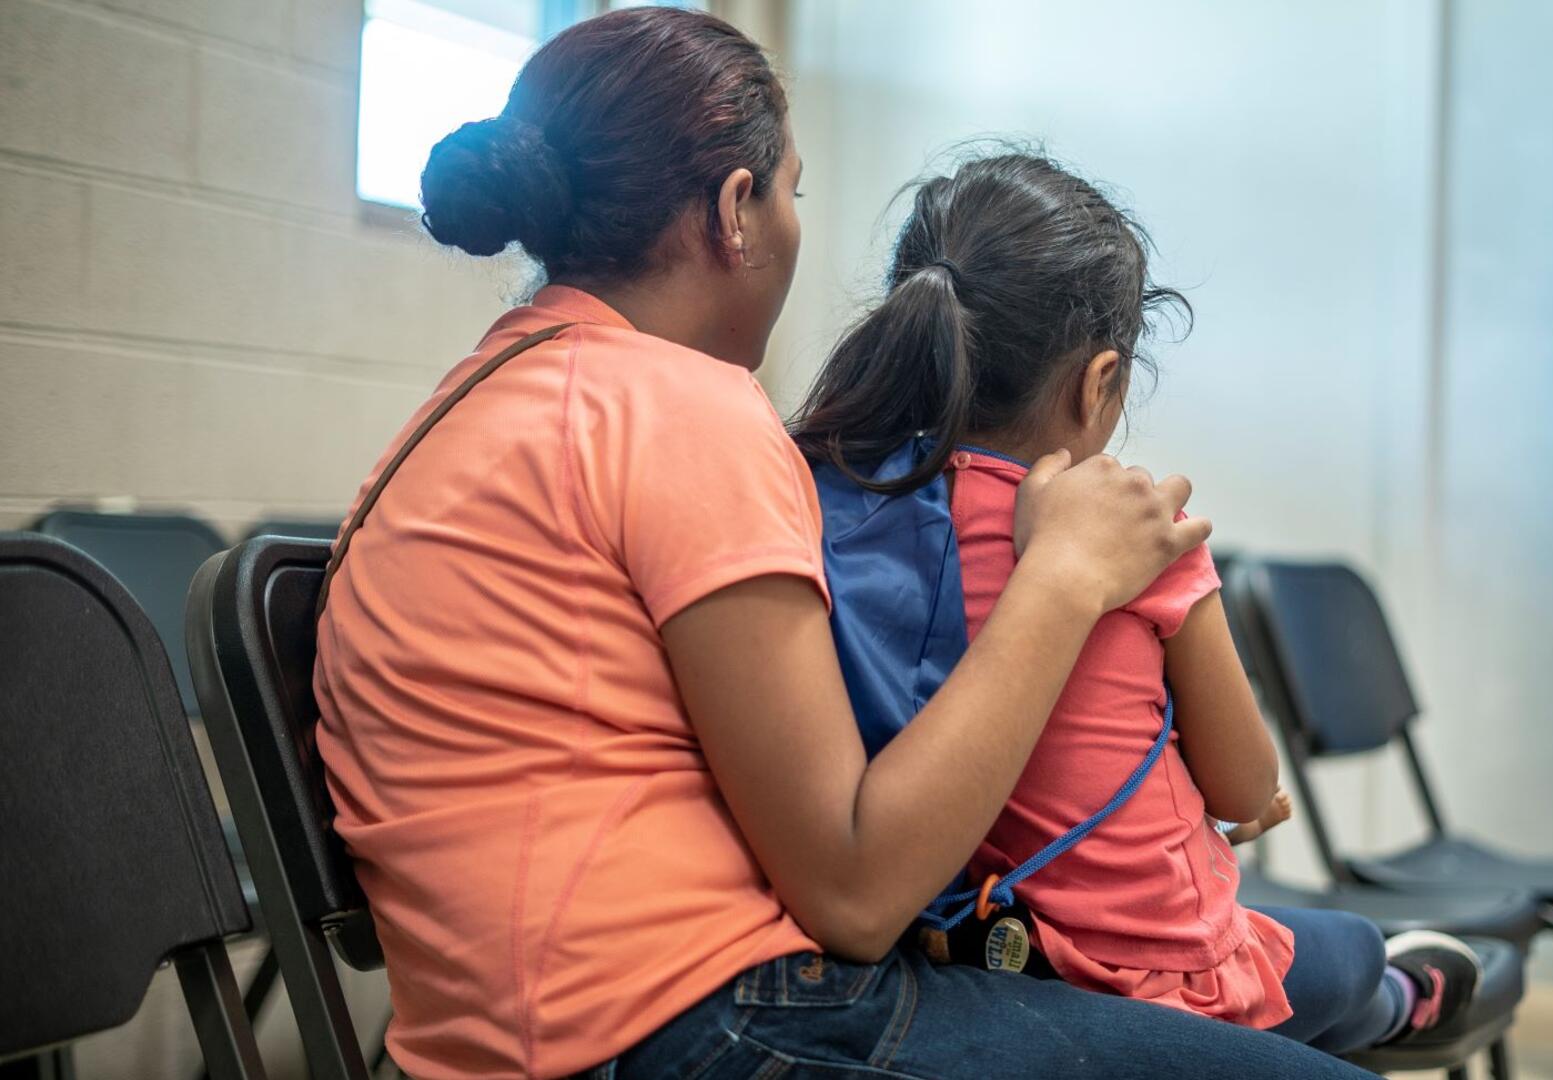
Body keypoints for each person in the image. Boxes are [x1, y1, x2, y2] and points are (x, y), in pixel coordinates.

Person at [312, 7, 1371, 1079]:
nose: (791, 219)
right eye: (792, 190)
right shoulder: (682, 408)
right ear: (738, 211)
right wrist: (1064, 575)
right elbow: (860, 894)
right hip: (691, 1028)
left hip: (522, 1029)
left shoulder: (460, 410)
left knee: (1313, 977)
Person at [790, 153, 1481, 1055]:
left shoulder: (856, 512)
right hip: (1150, 966)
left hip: (982, 955)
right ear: (1100, 381)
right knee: (1344, 953)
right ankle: (1396, 996)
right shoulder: (1139, 536)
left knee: (1305, 954)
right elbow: (1242, 785)